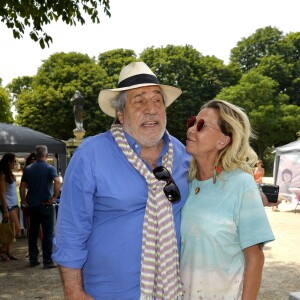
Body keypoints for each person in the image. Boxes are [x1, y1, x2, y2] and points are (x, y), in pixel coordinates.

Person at [52, 61, 190, 299]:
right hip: (107, 293)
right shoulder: (91, 154)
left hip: (171, 290)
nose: (151, 109)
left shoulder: (182, 154)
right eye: (139, 101)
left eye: (158, 100)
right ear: (120, 113)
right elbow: (70, 230)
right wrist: (73, 291)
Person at [180, 100, 275, 299]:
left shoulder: (241, 184)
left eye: (201, 126)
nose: (190, 130)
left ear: (223, 141)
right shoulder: (184, 184)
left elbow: (255, 259)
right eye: (192, 122)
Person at [20, 145, 61, 269]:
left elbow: (22, 186)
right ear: (46, 155)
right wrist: (54, 197)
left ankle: (33, 259)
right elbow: (58, 181)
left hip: (32, 205)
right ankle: (47, 261)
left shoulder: (28, 169)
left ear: (36, 155)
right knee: (48, 233)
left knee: (33, 233)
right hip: (46, 205)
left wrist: (23, 201)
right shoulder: (50, 168)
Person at [0, 153, 21, 261]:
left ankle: (8, 252)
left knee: (12, 229)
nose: (15, 163)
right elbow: (2, 193)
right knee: (16, 229)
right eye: (14, 161)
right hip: (9, 205)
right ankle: (2, 250)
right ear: (9, 162)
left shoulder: (9, 173)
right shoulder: (3, 174)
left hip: (14, 204)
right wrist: (5, 209)